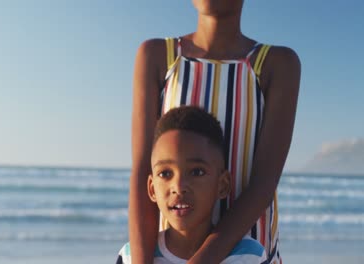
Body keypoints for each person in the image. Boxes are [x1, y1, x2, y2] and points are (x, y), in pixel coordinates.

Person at [129, 1, 301, 263]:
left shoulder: (275, 64)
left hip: (249, 255)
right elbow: (144, 171)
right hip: (170, 255)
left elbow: (264, 182)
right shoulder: (157, 56)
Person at [118, 106, 267, 263]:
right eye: (165, 174)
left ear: (222, 185)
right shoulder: (130, 257)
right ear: (152, 188)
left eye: (197, 172)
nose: (179, 186)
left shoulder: (249, 256)